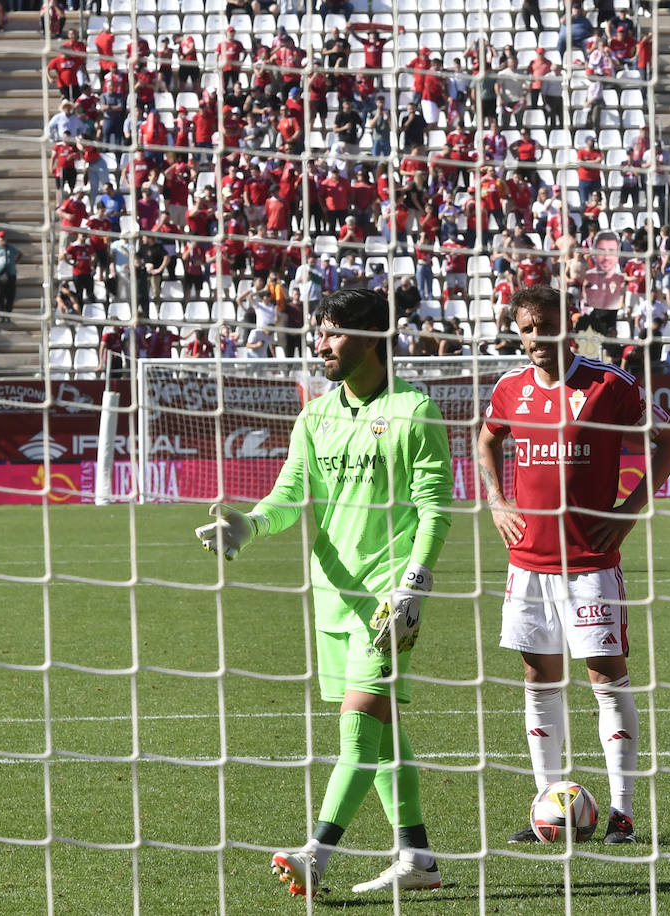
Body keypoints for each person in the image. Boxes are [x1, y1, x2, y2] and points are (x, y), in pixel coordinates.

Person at [194, 289, 452, 900]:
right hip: (332, 598)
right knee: (382, 734)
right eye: (321, 331)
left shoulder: (414, 410)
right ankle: (417, 856)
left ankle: (317, 851)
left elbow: (435, 507)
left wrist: (414, 581)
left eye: (333, 332)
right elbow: (290, 496)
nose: (320, 343)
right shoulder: (314, 416)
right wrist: (248, 525)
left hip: (389, 599)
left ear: (370, 338)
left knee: (358, 730)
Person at [475, 285, 670, 847]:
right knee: (537, 679)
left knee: (605, 676)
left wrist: (630, 511)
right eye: (526, 329)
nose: (536, 338)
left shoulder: (609, 383)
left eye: (546, 326)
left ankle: (621, 811)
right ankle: (546, 800)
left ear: (568, 325)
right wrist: (497, 500)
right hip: (528, 563)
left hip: (591, 561)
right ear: (516, 331)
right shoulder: (509, 388)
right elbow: (486, 440)